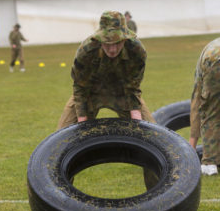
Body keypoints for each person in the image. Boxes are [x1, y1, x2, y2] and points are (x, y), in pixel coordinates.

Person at [57, 10, 156, 188]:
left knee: (153, 138)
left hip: (123, 94)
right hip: (89, 94)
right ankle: (59, 197)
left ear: (125, 39)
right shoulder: (86, 50)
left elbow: (133, 87)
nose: (112, 48)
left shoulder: (137, 51)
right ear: (100, 39)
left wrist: (137, 120)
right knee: (60, 143)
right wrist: (82, 123)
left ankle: (158, 198)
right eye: (107, 43)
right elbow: (80, 87)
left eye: (117, 43)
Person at [189, 37, 220, 175]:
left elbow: (197, 103)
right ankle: (208, 163)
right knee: (212, 109)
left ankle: (199, 158)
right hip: (215, 60)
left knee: (208, 108)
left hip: (212, 59)